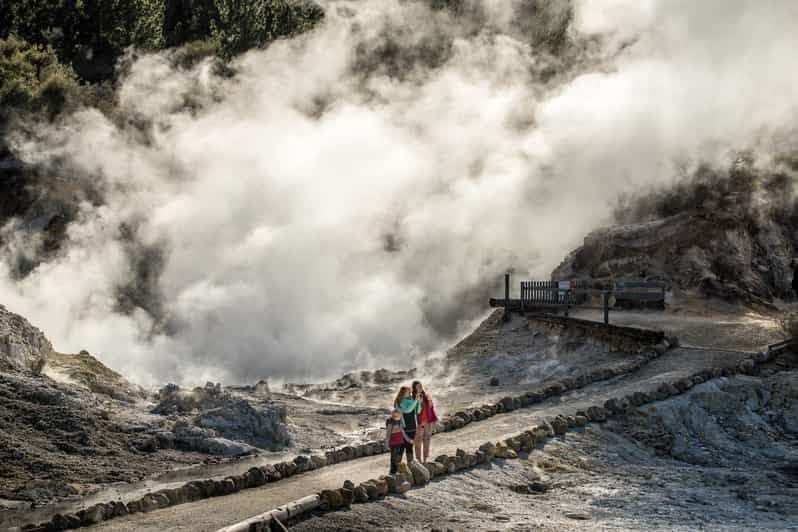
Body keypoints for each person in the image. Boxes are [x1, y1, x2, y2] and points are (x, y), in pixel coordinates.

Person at [412, 380, 438, 462]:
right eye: (418, 387)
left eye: (420, 386)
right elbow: (412, 411)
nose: (420, 388)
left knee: (427, 440)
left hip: (427, 422)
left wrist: (433, 421)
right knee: (418, 442)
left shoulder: (427, 397)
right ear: (414, 389)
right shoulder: (412, 398)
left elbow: (431, 409)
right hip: (418, 424)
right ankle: (419, 460)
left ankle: (425, 460)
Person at [394, 386, 419, 465]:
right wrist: (415, 401)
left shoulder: (410, 400)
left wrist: (418, 402)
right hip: (406, 427)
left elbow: (417, 411)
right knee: (405, 447)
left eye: (410, 391)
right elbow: (407, 410)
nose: (410, 393)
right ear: (403, 392)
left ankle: (398, 467)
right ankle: (407, 466)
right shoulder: (400, 402)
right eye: (408, 391)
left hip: (413, 426)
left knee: (405, 447)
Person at [385, 408, 412, 474]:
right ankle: (392, 470)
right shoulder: (390, 422)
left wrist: (408, 440)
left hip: (399, 441)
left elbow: (403, 432)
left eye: (398, 416)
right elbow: (388, 434)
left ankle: (396, 469)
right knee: (393, 456)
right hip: (393, 442)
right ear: (392, 415)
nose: (397, 417)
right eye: (395, 416)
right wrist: (386, 443)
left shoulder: (399, 422)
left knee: (397, 456)